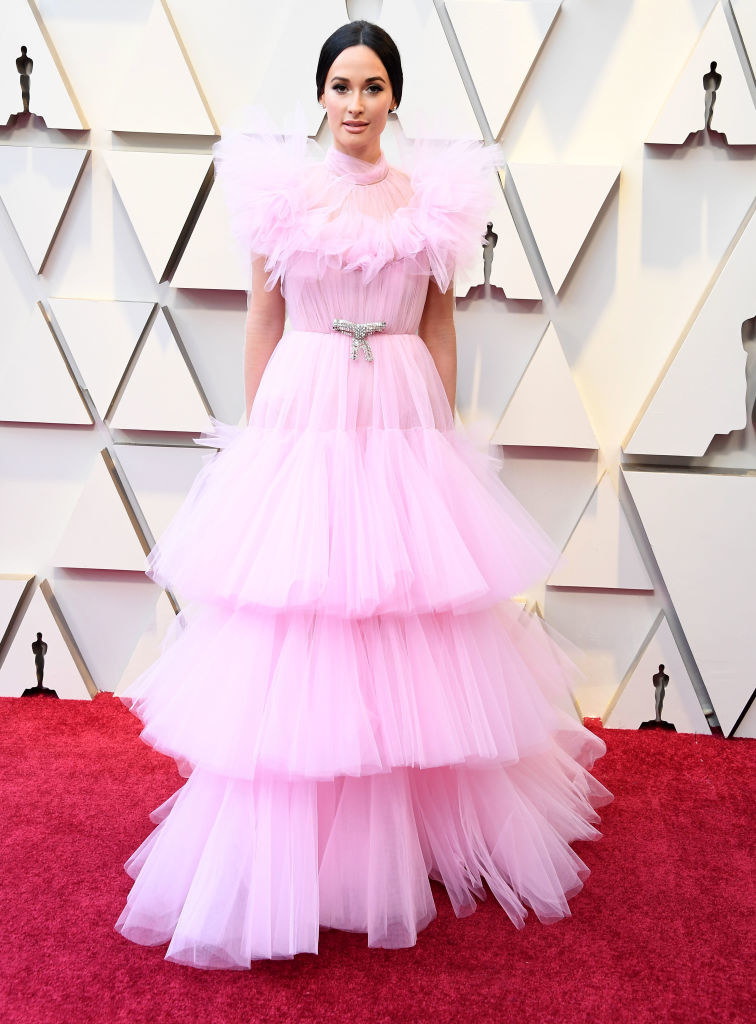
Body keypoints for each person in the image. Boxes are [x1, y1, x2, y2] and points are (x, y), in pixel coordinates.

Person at [114, 19, 613, 969]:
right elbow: (263, 318)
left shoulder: (432, 200)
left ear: (395, 98)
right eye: (340, 86)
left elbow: (438, 323)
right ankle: (299, 835)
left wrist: (441, 430)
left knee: (402, 612)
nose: (354, 104)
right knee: (308, 609)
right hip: (303, 408)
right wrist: (263, 440)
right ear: (319, 95)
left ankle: (408, 829)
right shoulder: (278, 193)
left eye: (372, 87)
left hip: (397, 413)